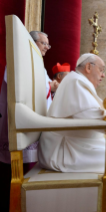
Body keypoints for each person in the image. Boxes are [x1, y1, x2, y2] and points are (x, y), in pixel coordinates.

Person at [38, 53, 106, 212]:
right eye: (101, 70)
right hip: (64, 151)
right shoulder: (76, 82)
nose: (103, 75)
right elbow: (91, 118)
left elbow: (91, 113)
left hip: (74, 144)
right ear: (88, 67)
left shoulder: (77, 81)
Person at [0, 30, 58, 212]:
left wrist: (52, 86)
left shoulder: (37, 64)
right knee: (14, 172)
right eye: (44, 43)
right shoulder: (19, 60)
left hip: (34, 124)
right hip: (19, 122)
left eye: (48, 44)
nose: (47, 48)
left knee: (30, 170)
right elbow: (22, 87)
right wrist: (51, 86)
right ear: (32, 43)